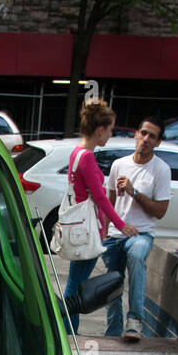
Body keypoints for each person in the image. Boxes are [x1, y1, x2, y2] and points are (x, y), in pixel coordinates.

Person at [62, 99, 138, 334]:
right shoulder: (86, 157)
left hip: (80, 227)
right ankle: (67, 332)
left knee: (75, 282)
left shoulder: (77, 152)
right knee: (75, 286)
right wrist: (121, 224)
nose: (111, 134)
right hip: (88, 231)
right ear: (100, 129)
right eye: (110, 129)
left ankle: (65, 330)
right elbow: (101, 197)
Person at [102, 115, 171, 341]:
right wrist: (104, 231)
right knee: (112, 285)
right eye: (143, 133)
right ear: (136, 134)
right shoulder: (118, 165)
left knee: (137, 254)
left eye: (152, 136)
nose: (146, 139)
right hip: (114, 235)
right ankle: (113, 333)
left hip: (141, 234)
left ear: (158, 143)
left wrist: (135, 193)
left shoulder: (161, 170)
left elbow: (160, 211)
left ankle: (135, 321)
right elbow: (109, 202)